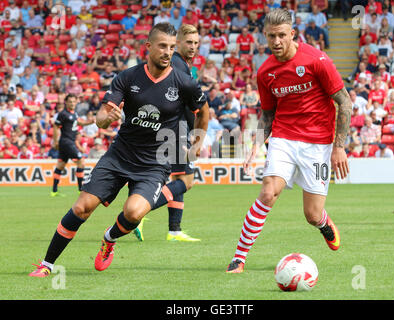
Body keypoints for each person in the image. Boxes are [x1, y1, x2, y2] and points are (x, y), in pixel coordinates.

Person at [29, 23, 209, 277]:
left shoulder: (184, 83)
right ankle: (46, 265)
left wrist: (197, 142)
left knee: (133, 212)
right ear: (148, 47)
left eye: (171, 47)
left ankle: (109, 239)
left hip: (155, 164)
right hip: (119, 156)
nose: (167, 52)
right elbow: (102, 115)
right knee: (82, 207)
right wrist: (105, 119)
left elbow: (204, 111)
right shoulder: (127, 77)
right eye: (162, 46)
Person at [226, 9, 351, 273]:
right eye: (271, 36)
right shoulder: (265, 72)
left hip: (318, 144)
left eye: (282, 35)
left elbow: (345, 102)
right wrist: (255, 146)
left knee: (312, 214)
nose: (277, 41)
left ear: (292, 33)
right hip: (283, 137)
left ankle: (324, 224)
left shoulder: (317, 60)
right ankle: (239, 258)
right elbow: (268, 115)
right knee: (268, 192)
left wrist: (338, 147)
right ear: (265, 36)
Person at [133, 24, 209, 243]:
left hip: (175, 129)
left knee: (178, 177)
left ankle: (174, 230)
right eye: (188, 43)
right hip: (175, 130)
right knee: (186, 180)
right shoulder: (176, 65)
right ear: (178, 44)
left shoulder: (183, 66)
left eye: (196, 43)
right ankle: (139, 212)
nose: (193, 47)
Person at [50, 94, 94, 197]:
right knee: (81, 163)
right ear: (66, 102)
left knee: (60, 166)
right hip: (66, 142)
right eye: (70, 101)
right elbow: (56, 127)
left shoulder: (74, 114)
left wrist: (90, 122)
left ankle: (54, 191)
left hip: (67, 142)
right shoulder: (63, 114)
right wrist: (55, 141)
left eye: (74, 101)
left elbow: (79, 123)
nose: (72, 103)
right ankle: (80, 189)